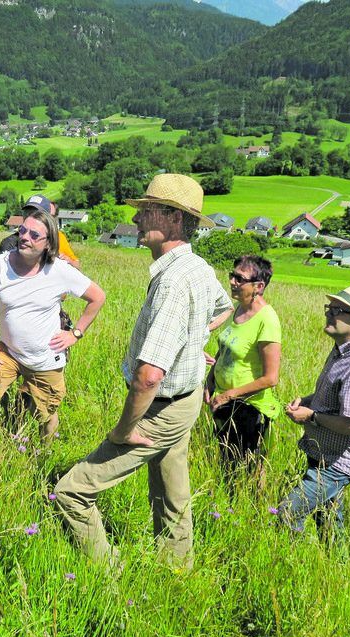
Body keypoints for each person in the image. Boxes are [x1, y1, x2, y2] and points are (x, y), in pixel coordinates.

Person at [53, 174, 233, 569]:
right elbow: (223, 308)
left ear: (170, 218)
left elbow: (149, 375)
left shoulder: (173, 282)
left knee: (72, 493)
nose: (135, 220)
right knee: (172, 492)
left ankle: (111, 574)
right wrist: (193, 338)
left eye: (144, 211)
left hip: (162, 406)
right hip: (185, 401)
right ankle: (176, 568)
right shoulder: (198, 268)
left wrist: (123, 430)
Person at [0, 209, 105, 443]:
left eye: (35, 235)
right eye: (22, 231)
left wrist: (75, 333)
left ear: (48, 243)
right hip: (6, 354)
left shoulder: (59, 270)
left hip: (45, 359)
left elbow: (97, 297)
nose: (25, 237)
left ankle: (44, 458)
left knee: (46, 416)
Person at [277, 283, 350, 545]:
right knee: (328, 522)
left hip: (339, 463)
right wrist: (308, 401)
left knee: (287, 513)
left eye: (338, 310)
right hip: (326, 453)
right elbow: (338, 400)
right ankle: (337, 567)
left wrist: (311, 416)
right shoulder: (343, 351)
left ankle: (290, 567)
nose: (329, 313)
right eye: (330, 307)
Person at [204, 254, 281, 494]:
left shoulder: (267, 320)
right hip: (226, 404)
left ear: (259, 286)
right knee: (226, 467)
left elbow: (271, 378)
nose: (233, 282)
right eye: (232, 275)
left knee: (248, 473)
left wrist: (228, 395)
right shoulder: (239, 309)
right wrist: (210, 381)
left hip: (250, 410)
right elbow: (225, 347)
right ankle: (226, 508)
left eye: (240, 278)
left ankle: (250, 515)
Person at [0, 195, 80, 270]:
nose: (30, 217)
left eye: (36, 214)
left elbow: (77, 265)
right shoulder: (9, 244)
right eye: (27, 213)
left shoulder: (58, 237)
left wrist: (68, 262)